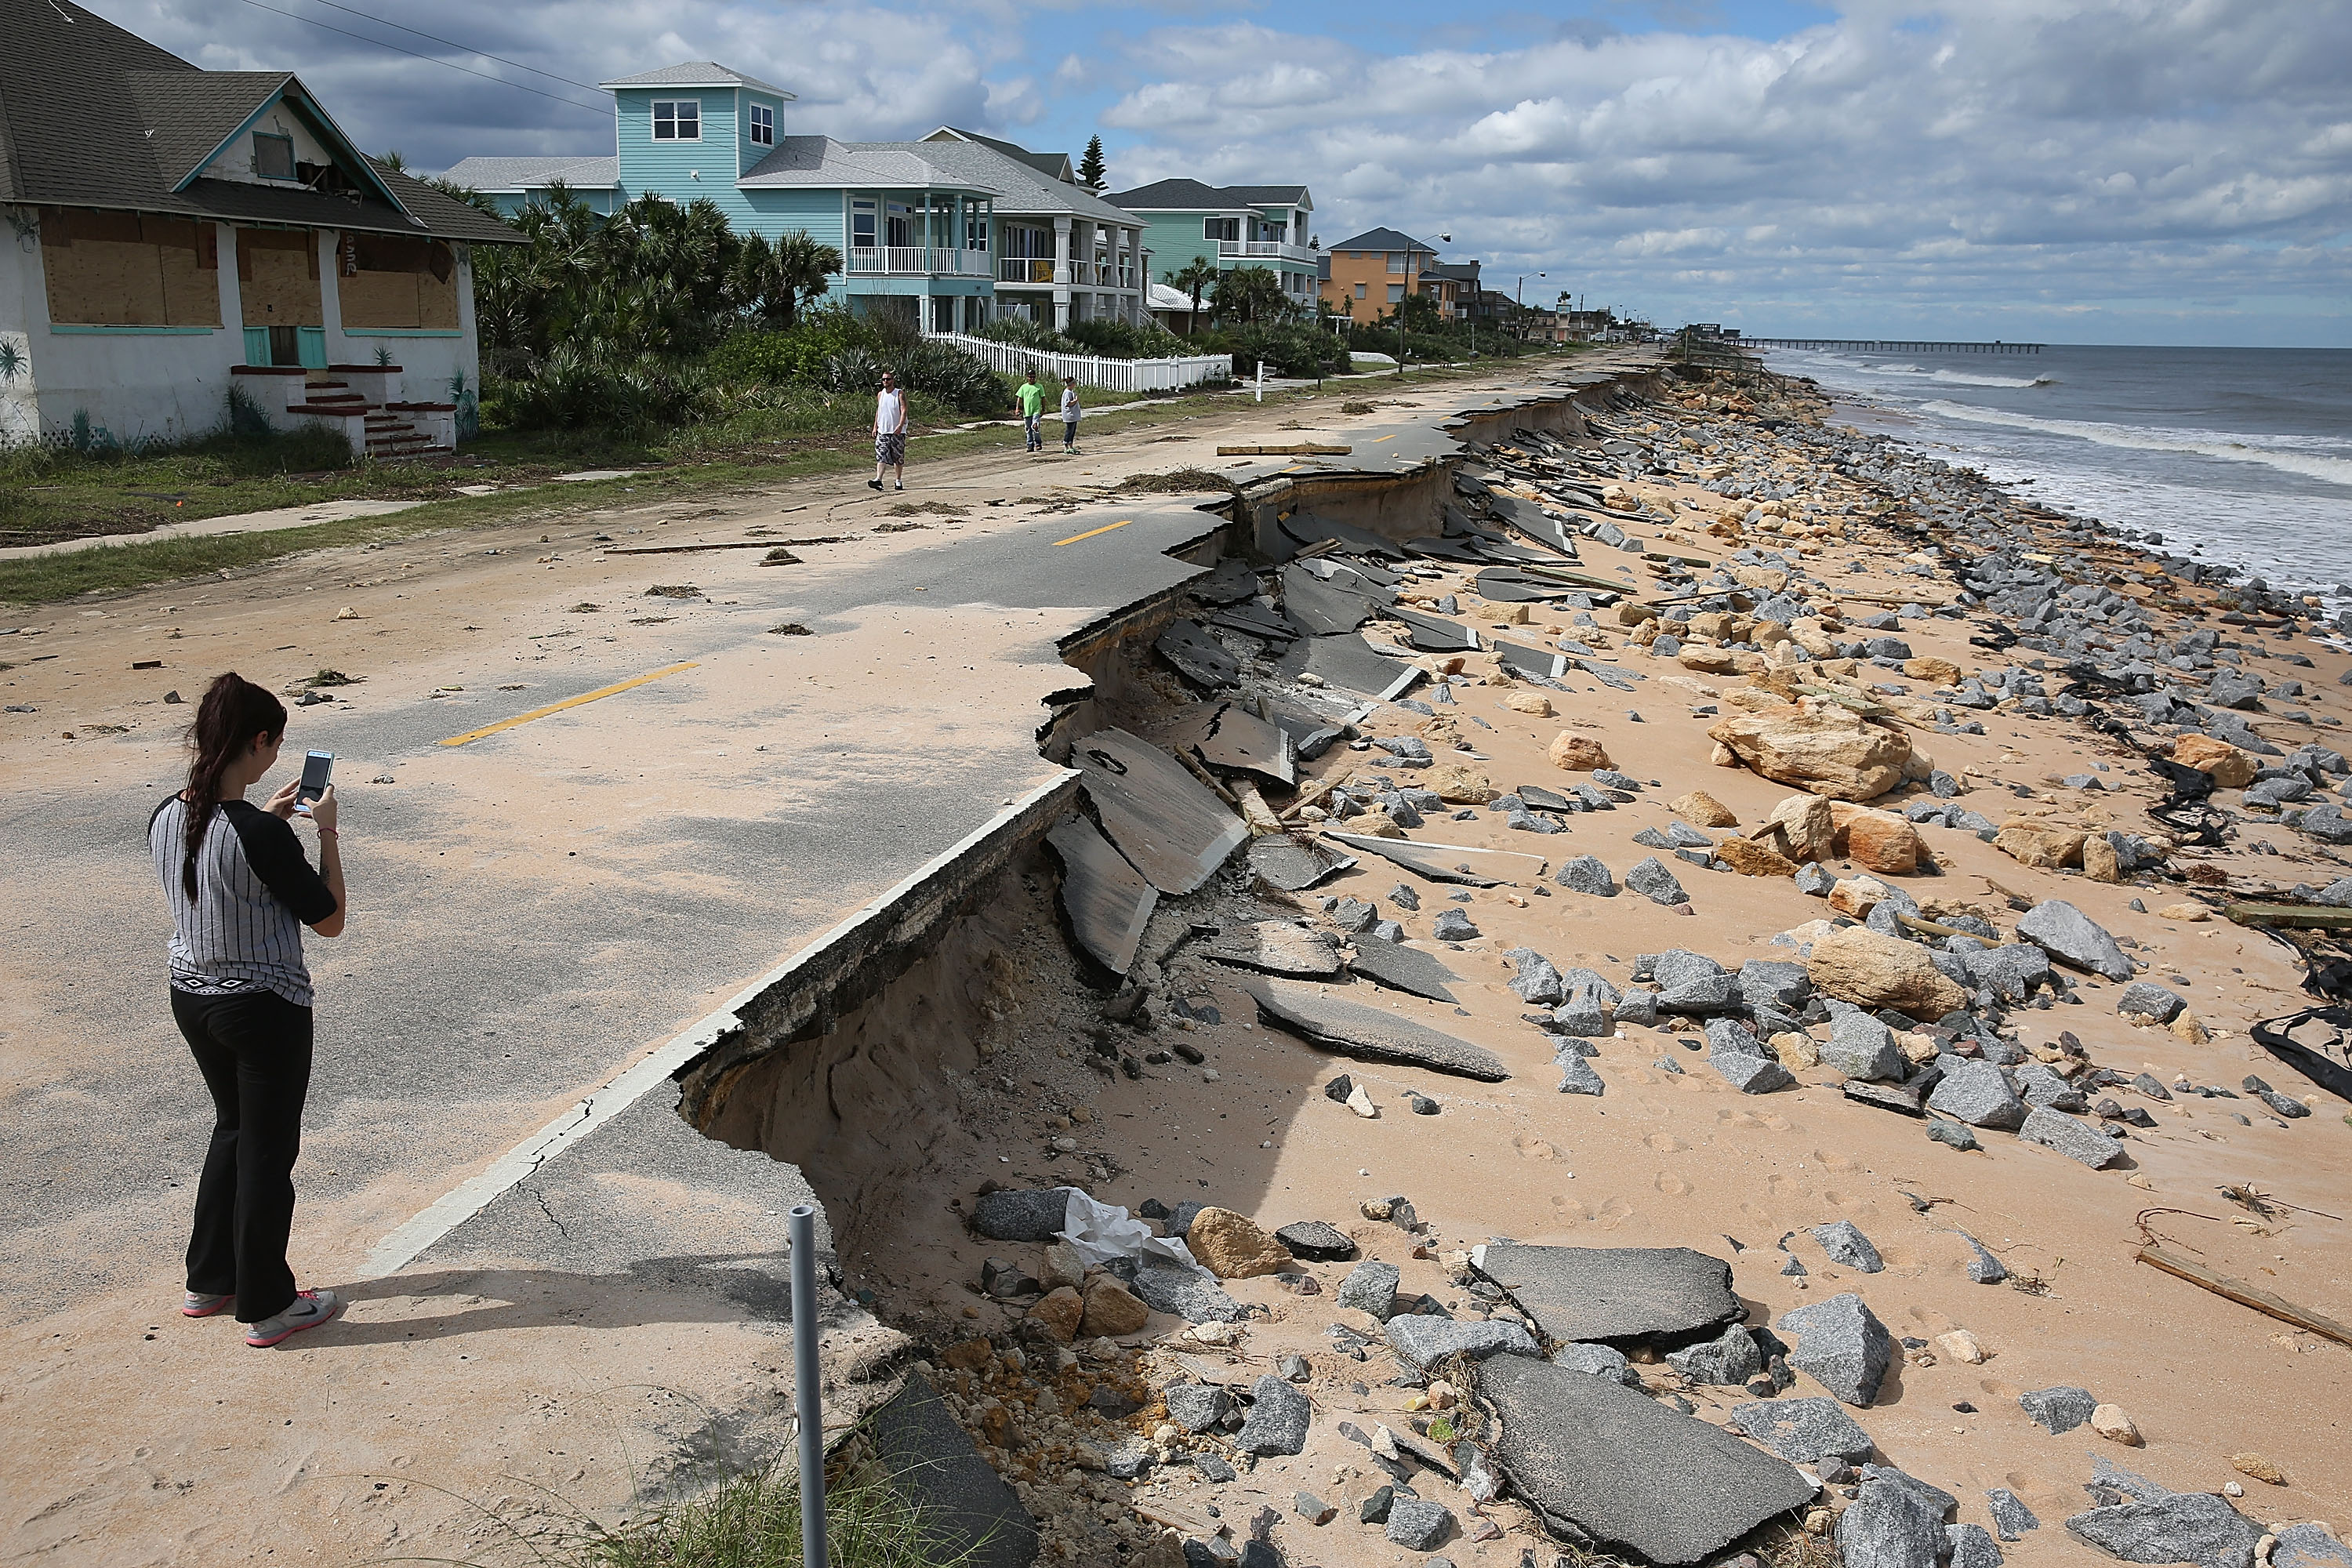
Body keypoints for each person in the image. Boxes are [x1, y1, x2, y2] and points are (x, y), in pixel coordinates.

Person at [150, 673, 347, 1348]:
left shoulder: (168, 814)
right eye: (276, 743)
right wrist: (326, 834)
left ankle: (209, 1279)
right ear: (260, 742)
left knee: (232, 1128)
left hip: (192, 996)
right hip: (262, 1006)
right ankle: (269, 1304)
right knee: (268, 1151)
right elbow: (329, 921)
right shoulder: (260, 834)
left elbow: (223, 859)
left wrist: (274, 819)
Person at [869, 369, 908, 491]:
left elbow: (904, 410)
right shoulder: (881, 394)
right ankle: (878, 480)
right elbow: (879, 411)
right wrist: (875, 426)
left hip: (897, 432)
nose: (885, 381)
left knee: (898, 457)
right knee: (881, 455)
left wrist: (901, 425)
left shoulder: (899, 394)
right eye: (883, 379)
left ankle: (898, 480)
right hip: (883, 431)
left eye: (888, 379)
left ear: (893, 380)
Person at [1015, 372, 1045, 455]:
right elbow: (1019, 398)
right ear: (1027, 377)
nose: (1032, 379)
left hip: (1036, 410)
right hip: (1027, 411)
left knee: (1035, 426)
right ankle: (1030, 444)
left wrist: (1043, 409)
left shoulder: (1039, 387)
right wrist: (1017, 408)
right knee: (1028, 429)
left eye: (1033, 377)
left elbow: (1043, 398)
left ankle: (1038, 443)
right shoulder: (1024, 387)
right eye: (1030, 377)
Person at [1059, 376, 1083, 455]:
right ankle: (1066, 445)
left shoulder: (1071, 392)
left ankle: (1071, 446)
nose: (1075, 384)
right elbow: (1068, 403)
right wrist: (1075, 401)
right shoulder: (1067, 393)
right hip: (1069, 415)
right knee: (1069, 431)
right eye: (1074, 383)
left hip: (1073, 416)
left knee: (1073, 431)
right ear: (1071, 384)